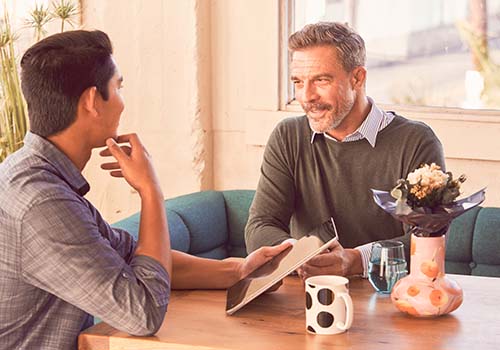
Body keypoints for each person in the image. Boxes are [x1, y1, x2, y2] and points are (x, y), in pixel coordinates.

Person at [0, 30, 290, 350]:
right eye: (118, 87)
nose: (123, 102)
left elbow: (136, 259)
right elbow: (144, 314)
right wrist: (150, 191)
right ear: (92, 101)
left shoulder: (39, 180)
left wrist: (239, 269)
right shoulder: (43, 203)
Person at [245, 22, 445, 280]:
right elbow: (260, 226)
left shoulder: (416, 141)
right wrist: (302, 255)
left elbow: (428, 240)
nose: (306, 96)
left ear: (357, 78)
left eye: (321, 80)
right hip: (307, 296)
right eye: (298, 82)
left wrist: (354, 260)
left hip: (392, 299)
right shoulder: (288, 136)